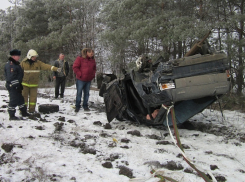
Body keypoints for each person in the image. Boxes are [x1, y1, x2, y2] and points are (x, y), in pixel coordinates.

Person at [4, 49, 29, 120]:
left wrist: (19, 85)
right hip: (12, 86)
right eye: (18, 56)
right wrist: (16, 85)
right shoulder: (10, 65)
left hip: (17, 85)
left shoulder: (16, 64)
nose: (19, 57)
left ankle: (24, 112)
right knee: (13, 100)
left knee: (20, 99)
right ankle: (11, 115)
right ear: (14, 56)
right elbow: (11, 77)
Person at [73, 48, 96, 112]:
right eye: (91, 53)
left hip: (88, 79)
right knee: (79, 93)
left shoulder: (92, 60)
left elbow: (94, 68)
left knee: (87, 93)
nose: (92, 54)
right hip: (80, 79)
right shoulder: (80, 58)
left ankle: (85, 106)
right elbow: (75, 67)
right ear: (87, 53)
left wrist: (93, 75)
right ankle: (77, 106)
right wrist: (79, 74)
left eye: (92, 53)